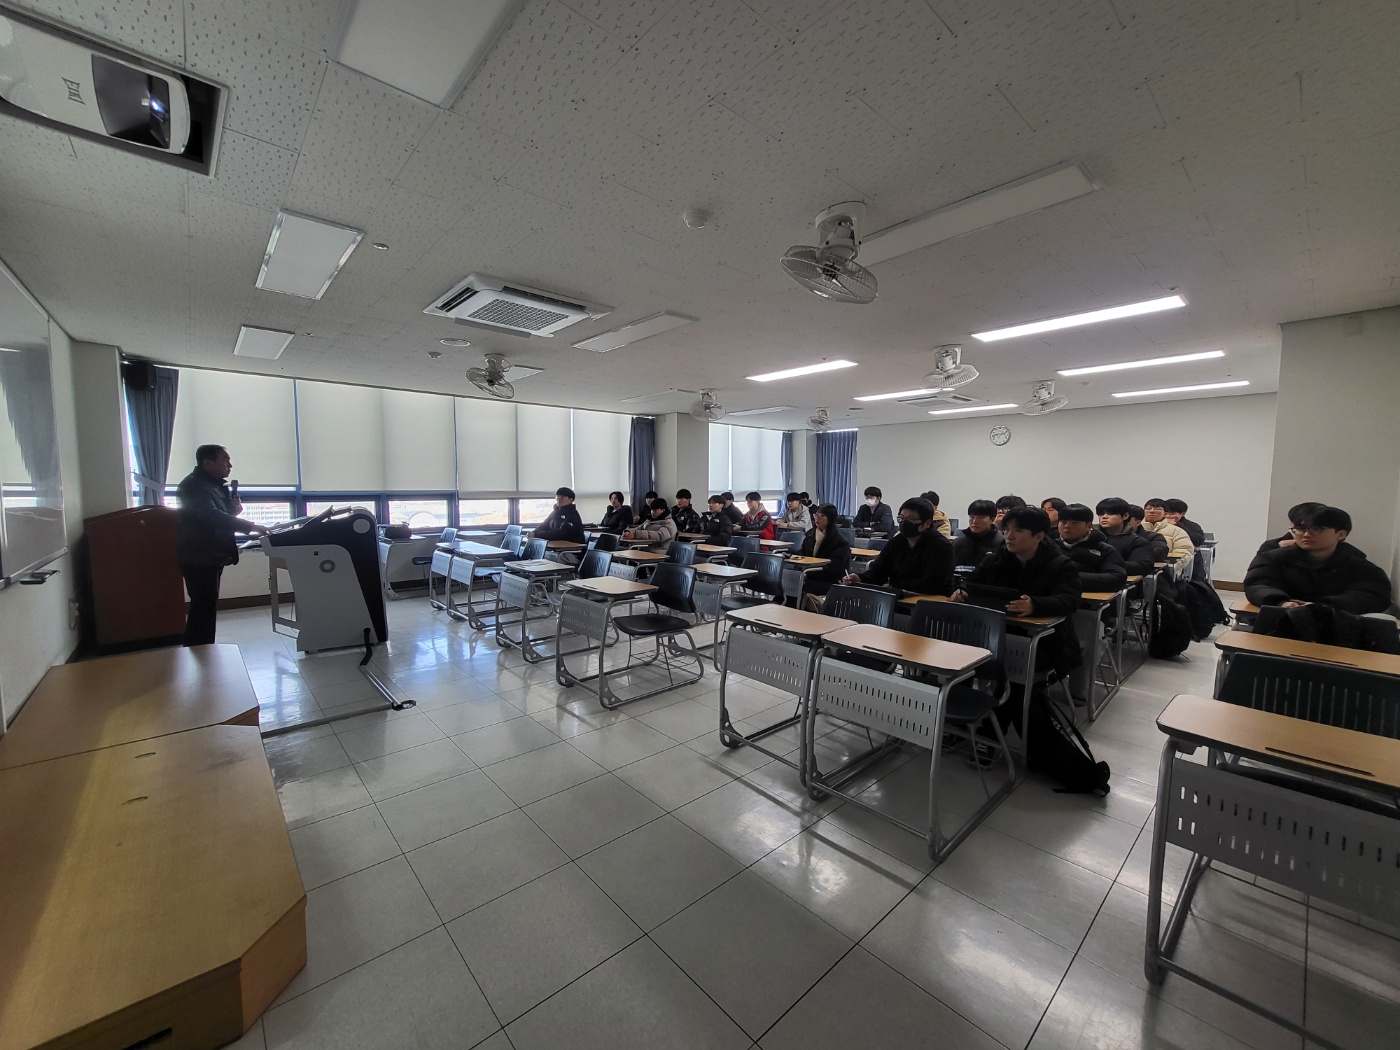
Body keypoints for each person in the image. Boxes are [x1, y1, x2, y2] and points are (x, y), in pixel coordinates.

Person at [954, 506, 1082, 675]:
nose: (1009, 536)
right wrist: (961, 591)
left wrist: (1035, 605)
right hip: (998, 631)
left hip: (1045, 639)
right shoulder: (996, 558)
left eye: (1018, 530)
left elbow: (1070, 600)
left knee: (1014, 665)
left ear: (1038, 536)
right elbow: (972, 582)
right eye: (1006, 529)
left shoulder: (1061, 564)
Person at [175, 444, 267, 646]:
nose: (230, 465)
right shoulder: (193, 486)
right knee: (202, 607)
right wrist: (251, 526)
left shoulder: (213, 485)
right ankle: (198, 649)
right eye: (225, 460)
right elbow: (210, 516)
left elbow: (219, 515)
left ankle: (204, 649)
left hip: (211, 554)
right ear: (207, 463)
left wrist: (234, 508)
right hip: (198, 556)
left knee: (206, 606)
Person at [1244, 505, 1391, 613]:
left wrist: (1323, 607)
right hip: (1280, 619)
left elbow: (1373, 595)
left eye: (1316, 529)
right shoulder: (1272, 557)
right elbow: (1257, 584)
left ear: (1341, 534)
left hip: (1335, 624)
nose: (1306, 535)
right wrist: (1281, 602)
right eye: (1300, 529)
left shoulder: (1360, 566)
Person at [841, 497, 954, 595]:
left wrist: (894, 584)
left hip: (930, 603)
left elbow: (931, 584)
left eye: (911, 519)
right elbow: (878, 572)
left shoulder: (942, 547)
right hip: (900, 597)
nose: (904, 523)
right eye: (901, 518)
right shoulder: (896, 542)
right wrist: (860, 578)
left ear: (927, 523)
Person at [1054, 503, 1127, 591]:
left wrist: (1070, 577)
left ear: (1088, 526)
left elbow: (1116, 578)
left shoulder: (1104, 550)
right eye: (1063, 522)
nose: (1067, 526)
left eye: (1074, 523)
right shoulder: (1050, 546)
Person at [799, 503, 851, 600]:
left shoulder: (840, 542)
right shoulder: (810, 535)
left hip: (829, 580)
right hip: (810, 575)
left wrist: (809, 572)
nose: (817, 518)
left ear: (830, 519)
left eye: (822, 515)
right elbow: (802, 554)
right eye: (816, 515)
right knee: (790, 585)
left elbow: (833, 568)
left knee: (801, 588)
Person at [1095, 497, 1157, 576]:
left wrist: (1106, 564)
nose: (1104, 517)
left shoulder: (1138, 542)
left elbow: (1143, 566)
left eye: (1111, 513)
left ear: (1125, 516)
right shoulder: (1090, 538)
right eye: (1101, 514)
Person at [1258, 502, 1328, 553]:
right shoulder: (1271, 546)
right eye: (1301, 528)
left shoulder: (1330, 544)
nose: (1306, 534)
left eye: (1315, 529)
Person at [952, 499, 1004, 567]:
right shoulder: (958, 543)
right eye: (972, 517)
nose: (974, 521)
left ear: (992, 519)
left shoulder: (1001, 544)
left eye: (980, 517)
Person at [1141, 498, 1195, 562]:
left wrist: (1168, 566)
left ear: (1165, 513)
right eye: (1148, 508)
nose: (1152, 511)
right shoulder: (1135, 528)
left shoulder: (1177, 531)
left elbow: (1185, 552)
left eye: (1158, 509)